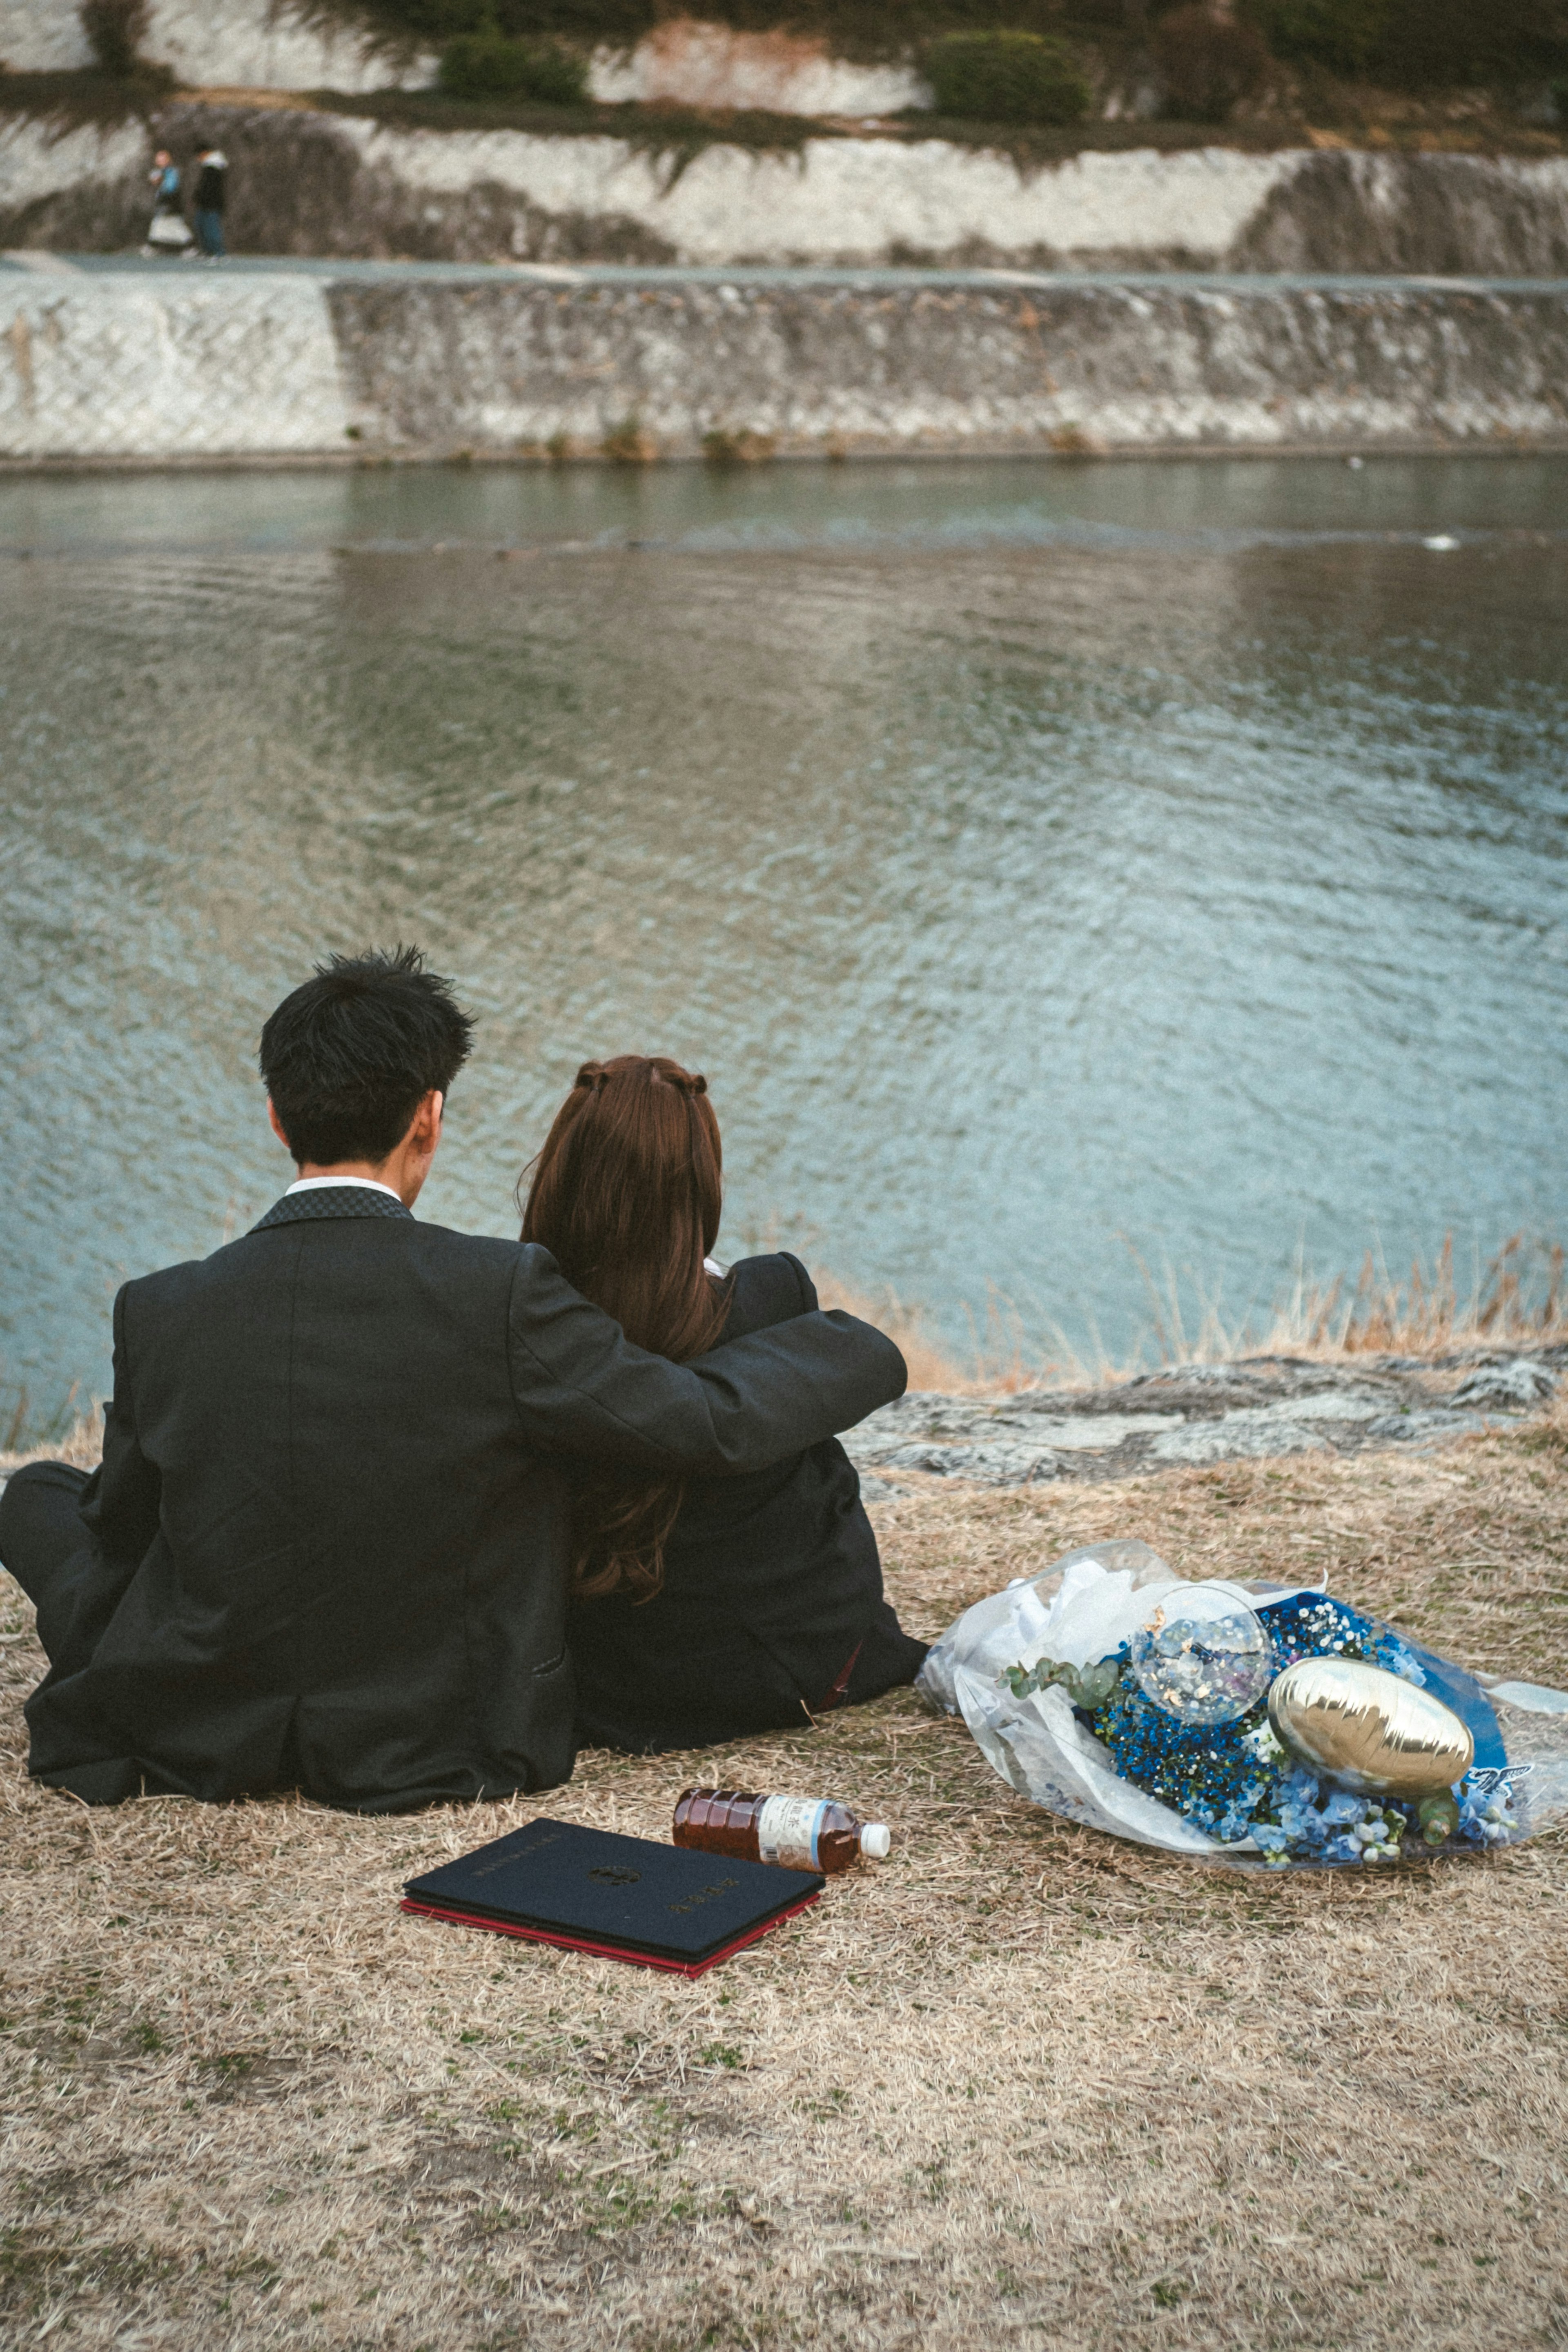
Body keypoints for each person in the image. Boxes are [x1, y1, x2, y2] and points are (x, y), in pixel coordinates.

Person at [0, 952, 905, 1812]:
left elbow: (121, 1530)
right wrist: (853, 1343)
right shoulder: (498, 1295)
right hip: (431, 1724)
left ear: (277, 1117)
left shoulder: (159, 1308)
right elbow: (705, 1420)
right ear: (429, 1118)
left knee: (35, 1493)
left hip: (204, 1712)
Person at [520, 1055, 927, 1754]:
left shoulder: (522, 1338)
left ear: (561, 1177)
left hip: (613, 1697)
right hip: (800, 1674)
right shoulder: (770, 1300)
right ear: (703, 1187)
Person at [141, 150, 192, 259]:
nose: (160, 161)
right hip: (164, 203)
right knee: (159, 224)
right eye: (159, 159)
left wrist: (161, 182)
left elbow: (171, 188)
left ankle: (189, 247)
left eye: (163, 159)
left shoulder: (171, 172)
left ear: (168, 160)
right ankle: (152, 247)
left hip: (171, 204)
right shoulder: (160, 172)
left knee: (175, 226)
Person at [192, 143, 228, 260]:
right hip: (206, 203)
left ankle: (218, 252)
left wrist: (200, 196)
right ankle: (208, 251)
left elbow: (210, 188)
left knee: (211, 228)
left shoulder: (213, 167)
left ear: (204, 153)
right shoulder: (209, 166)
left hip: (211, 203)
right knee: (201, 226)